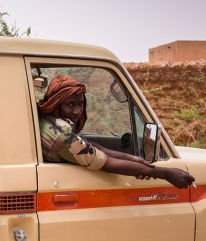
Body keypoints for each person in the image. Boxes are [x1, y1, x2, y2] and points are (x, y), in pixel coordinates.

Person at [38, 74, 194, 188]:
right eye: (70, 105)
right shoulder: (61, 133)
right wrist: (165, 174)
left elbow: (86, 145)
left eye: (80, 104)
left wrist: (131, 158)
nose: (78, 111)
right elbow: (108, 163)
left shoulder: (48, 120)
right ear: (56, 104)